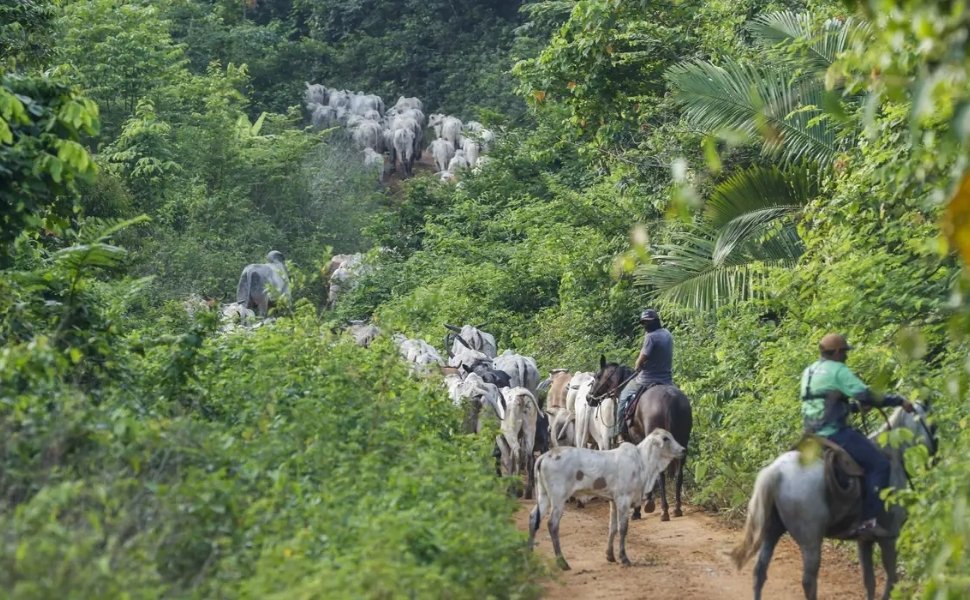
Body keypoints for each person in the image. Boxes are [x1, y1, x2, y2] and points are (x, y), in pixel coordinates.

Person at [800, 333, 914, 537]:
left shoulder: (809, 371)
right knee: (880, 464)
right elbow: (866, 395)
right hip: (834, 433)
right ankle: (868, 522)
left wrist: (852, 408)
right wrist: (898, 401)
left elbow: (821, 404)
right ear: (835, 352)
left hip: (810, 435)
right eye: (844, 352)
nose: (846, 356)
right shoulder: (838, 370)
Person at [616, 308, 674, 440]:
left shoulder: (650, 337)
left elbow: (640, 361)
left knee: (623, 397)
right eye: (643, 323)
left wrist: (637, 366)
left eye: (647, 323)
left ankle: (619, 433)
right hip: (667, 380)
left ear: (654, 322)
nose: (645, 326)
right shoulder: (667, 334)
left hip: (646, 379)